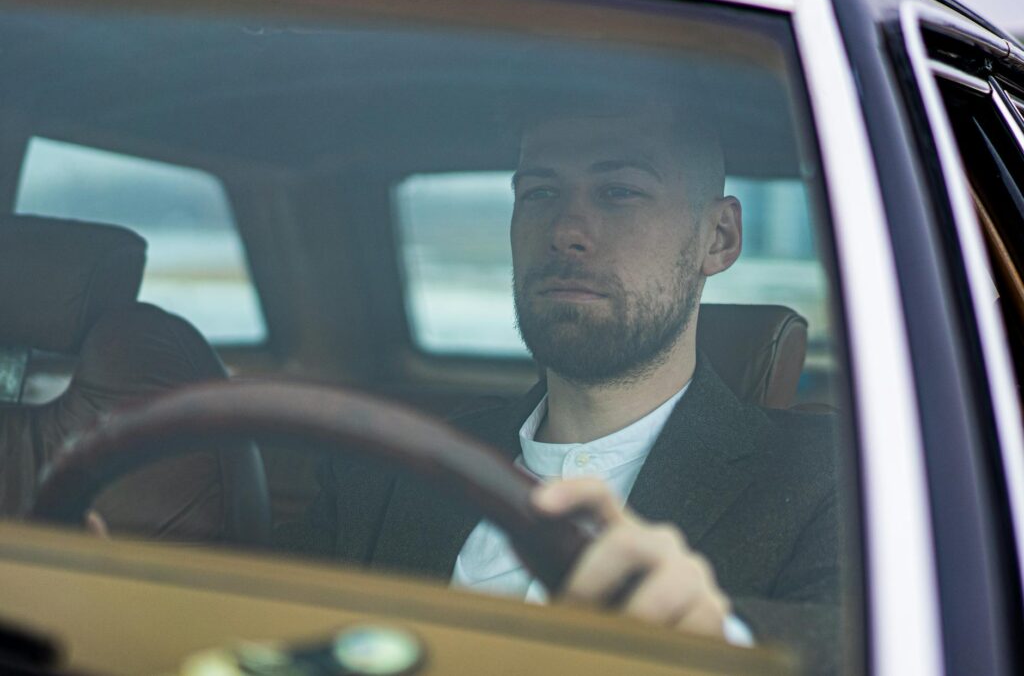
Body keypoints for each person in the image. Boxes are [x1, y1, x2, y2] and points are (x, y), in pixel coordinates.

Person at [294, 102, 840, 672]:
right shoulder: (386, 469)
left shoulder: (825, 477)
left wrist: (713, 639)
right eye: (539, 194)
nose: (565, 233)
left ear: (719, 238)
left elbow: (853, 642)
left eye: (619, 192)